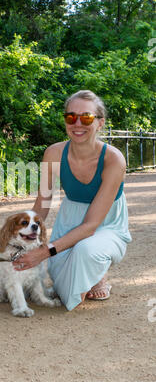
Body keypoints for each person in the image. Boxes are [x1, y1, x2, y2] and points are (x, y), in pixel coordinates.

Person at [13, 90, 132, 311]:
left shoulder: (113, 159)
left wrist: (43, 252)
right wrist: (22, 237)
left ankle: (100, 270)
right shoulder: (53, 154)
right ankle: (87, 273)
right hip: (69, 222)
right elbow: (42, 205)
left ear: (100, 123)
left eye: (86, 117)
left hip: (106, 225)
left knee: (86, 251)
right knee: (63, 289)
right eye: (71, 117)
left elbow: (91, 225)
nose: (78, 123)